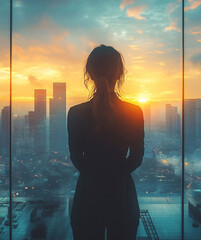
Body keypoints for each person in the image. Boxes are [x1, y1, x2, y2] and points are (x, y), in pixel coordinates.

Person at [68, 45, 145, 240]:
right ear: (120, 74)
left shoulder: (76, 113)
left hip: (88, 194)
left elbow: (77, 159)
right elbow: (136, 159)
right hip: (122, 194)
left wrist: (94, 172)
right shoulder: (134, 112)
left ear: (90, 74)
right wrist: (117, 172)